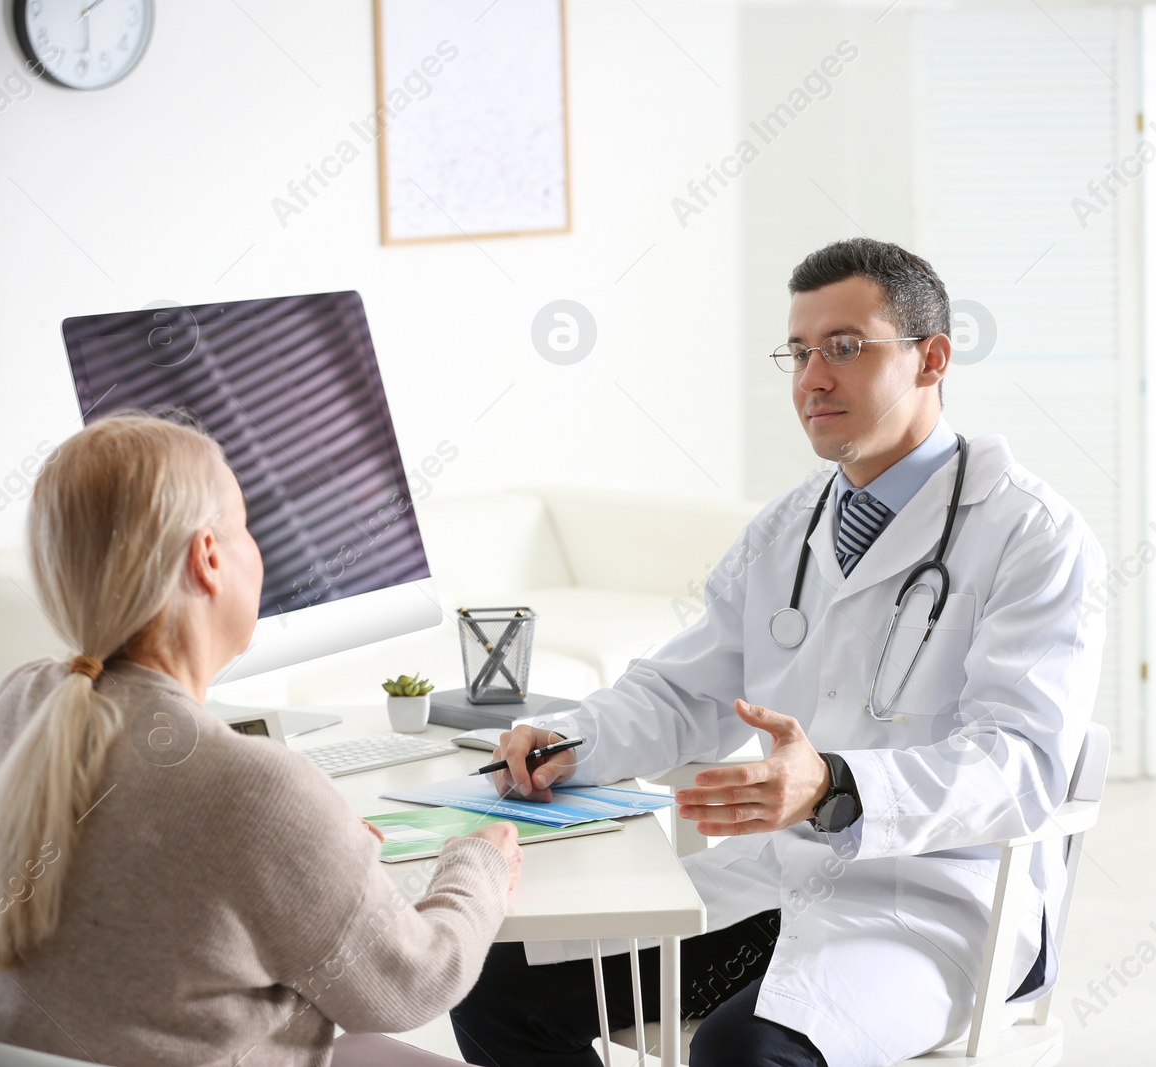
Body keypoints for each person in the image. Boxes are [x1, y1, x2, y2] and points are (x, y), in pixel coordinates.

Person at [450, 238, 1106, 1067]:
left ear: (932, 357)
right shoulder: (789, 525)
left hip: (936, 901)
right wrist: (569, 740)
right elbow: (685, 693)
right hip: (774, 883)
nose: (812, 379)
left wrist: (836, 783)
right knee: (492, 980)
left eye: (843, 347)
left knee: (744, 1053)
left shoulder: (1032, 535)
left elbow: (1022, 762)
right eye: (798, 352)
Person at [0, 414, 523, 1067]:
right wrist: (478, 862)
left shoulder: (19, 702)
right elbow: (410, 985)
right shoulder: (257, 786)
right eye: (246, 526)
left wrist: (319, 853)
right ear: (207, 558)